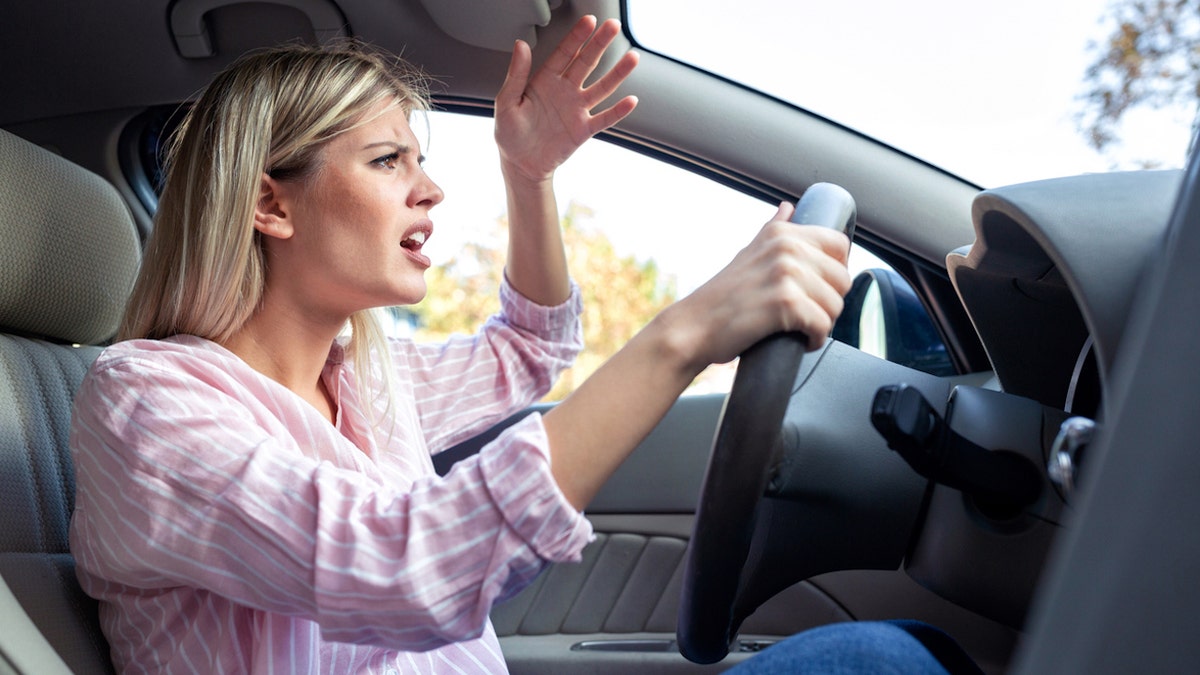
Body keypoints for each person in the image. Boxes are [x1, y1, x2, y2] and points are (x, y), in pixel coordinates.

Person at [68, 15, 855, 674]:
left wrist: (529, 176)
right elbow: (403, 568)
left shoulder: (371, 378)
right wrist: (686, 333)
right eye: (387, 160)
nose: (432, 189)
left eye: (423, 162)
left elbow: (530, 349)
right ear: (271, 204)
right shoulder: (146, 405)